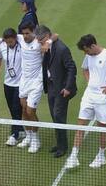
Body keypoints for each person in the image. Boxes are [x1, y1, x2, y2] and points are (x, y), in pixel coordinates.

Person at [65, 34, 106, 169]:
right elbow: (84, 69)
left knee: (102, 127)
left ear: (93, 46)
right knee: (80, 125)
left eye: (87, 50)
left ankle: (101, 156)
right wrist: (90, 82)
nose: (86, 53)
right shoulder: (88, 56)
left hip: (103, 99)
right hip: (89, 96)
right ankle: (73, 156)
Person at [35, 25, 77, 158]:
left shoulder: (62, 49)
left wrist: (68, 88)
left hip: (61, 88)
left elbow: (72, 68)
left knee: (59, 116)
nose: (39, 43)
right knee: (54, 116)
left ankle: (63, 147)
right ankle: (59, 143)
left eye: (41, 40)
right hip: (51, 86)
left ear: (47, 37)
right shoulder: (48, 46)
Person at [15, 21, 45, 153]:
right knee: (23, 110)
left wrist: (48, 43)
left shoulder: (39, 42)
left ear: (33, 32)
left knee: (30, 111)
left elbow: (55, 35)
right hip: (24, 81)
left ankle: (36, 140)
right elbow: (6, 37)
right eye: (23, 33)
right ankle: (29, 136)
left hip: (36, 82)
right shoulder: (20, 38)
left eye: (27, 33)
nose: (25, 36)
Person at [0, 28, 24, 146]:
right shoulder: (2, 45)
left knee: (16, 108)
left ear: (15, 38)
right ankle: (20, 129)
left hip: (20, 83)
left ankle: (15, 134)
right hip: (8, 83)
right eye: (7, 42)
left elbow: (25, 35)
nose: (9, 44)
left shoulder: (21, 41)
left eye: (11, 42)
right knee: (12, 108)